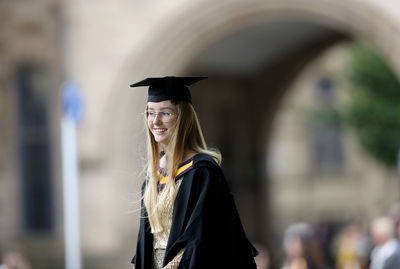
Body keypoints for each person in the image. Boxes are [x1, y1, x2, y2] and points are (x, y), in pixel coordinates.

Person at [130, 76, 258, 269]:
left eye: (165, 113)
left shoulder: (202, 171)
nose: (155, 121)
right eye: (150, 113)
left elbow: (201, 235)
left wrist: (172, 267)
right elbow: (146, 241)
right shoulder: (153, 175)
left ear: (183, 118)